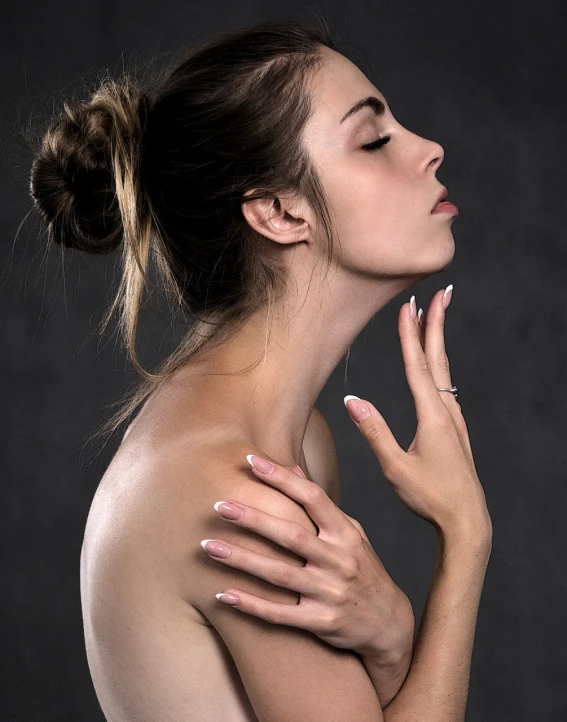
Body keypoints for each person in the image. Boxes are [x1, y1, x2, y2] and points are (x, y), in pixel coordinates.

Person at [28, 18, 492, 721]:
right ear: (279, 211)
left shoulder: (295, 439)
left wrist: (394, 640)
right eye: (373, 140)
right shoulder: (237, 498)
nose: (428, 149)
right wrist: (465, 536)